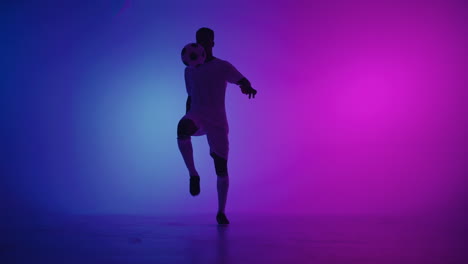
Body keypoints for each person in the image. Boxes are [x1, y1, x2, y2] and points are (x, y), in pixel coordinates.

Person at [177, 27, 257, 225]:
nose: (201, 45)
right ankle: (193, 174)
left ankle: (221, 211)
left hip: (217, 122)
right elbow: (190, 95)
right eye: (198, 41)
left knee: (221, 169)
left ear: (212, 43)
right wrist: (187, 115)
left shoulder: (222, 66)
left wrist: (246, 86)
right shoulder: (189, 70)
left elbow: (241, 79)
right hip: (197, 116)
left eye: (206, 41)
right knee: (181, 127)